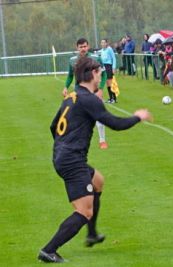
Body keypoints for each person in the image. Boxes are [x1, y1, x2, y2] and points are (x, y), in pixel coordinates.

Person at [38, 57, 152, 263]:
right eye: (99, 73)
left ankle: (91, 234)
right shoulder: (88, 99)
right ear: (91, 74)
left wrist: (63, 146)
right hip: (71, 160)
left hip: (64, 156)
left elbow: (53, 126)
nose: (101, 77)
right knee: (84, 211)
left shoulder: (72, 96)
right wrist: (138, 117)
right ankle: (49, 250)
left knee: (97, 181)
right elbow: (115, 123)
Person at [63, 38, 109, 149]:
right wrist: (65, 87)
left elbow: (104, 75)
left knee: (99, 114)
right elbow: (70, 76)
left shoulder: (95, 58)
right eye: (81, 47)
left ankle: (102, 140)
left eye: (85, 46)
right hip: (79, 92)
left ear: (88, 46)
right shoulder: (72, 60)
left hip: (94, 91)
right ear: (77, 48)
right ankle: (75, 139)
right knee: (77, 116)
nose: (83, 49)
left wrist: (101, 89)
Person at [100, 38, 117, 103]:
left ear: (107, 43)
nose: (103, 44)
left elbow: (114, 58)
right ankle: (110, 98)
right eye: (102, 42)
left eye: (104, 42)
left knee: (110, 83)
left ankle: (114, 98)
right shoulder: (102, 50)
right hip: (104, 67)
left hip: (109, 66)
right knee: (107, 83)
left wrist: (114, 67)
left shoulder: (109, 49)